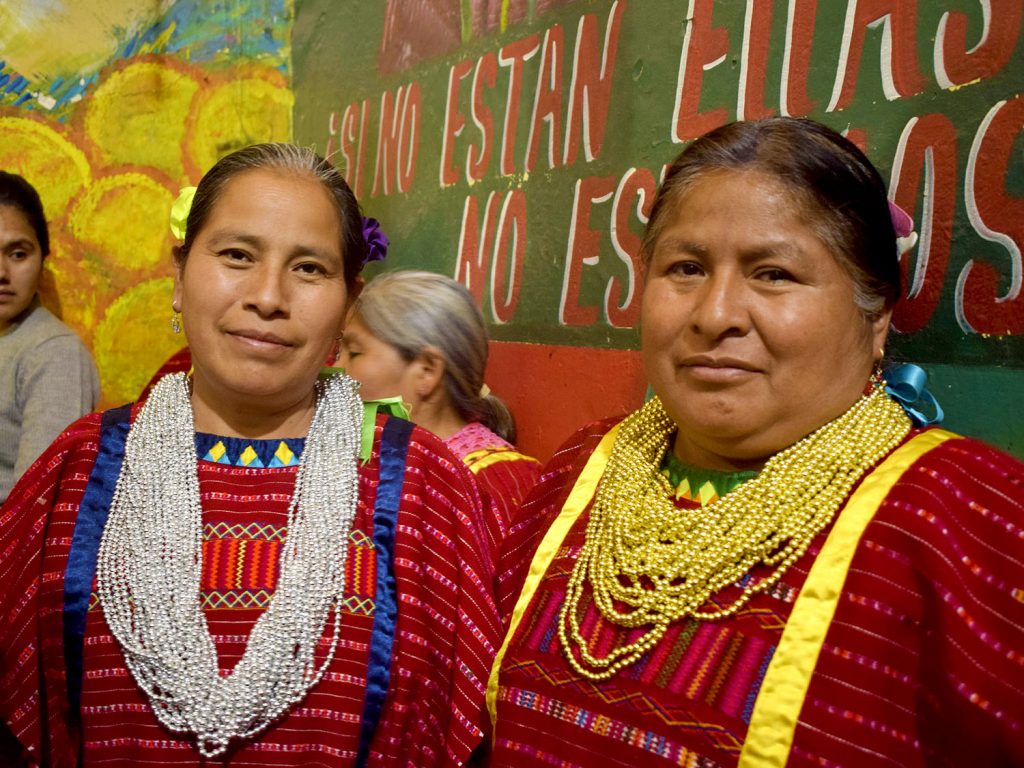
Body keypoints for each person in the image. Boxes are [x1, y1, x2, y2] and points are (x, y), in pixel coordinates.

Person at [486, 118, 1024, 767]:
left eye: (773, 274)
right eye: (686, 268)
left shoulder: (962, 519)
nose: (715, 315)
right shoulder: (587, 468)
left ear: (877, 314)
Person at [0, 144, 501, 766]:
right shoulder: (77, 470)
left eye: (309, 268)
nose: (268, 296)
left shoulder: (426, 486)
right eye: (237, 255)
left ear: (350, 300)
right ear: (179, 274)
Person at [340, 270, 540, 552]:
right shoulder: (367, 461)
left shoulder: (494, 483)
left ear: (427, 370)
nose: (337, 369)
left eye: (354, 353)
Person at [0, 171, 100, 503]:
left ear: (43, 259)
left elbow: (37, 502)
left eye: (18, 254)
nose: (1, 273)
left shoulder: (55, 353)